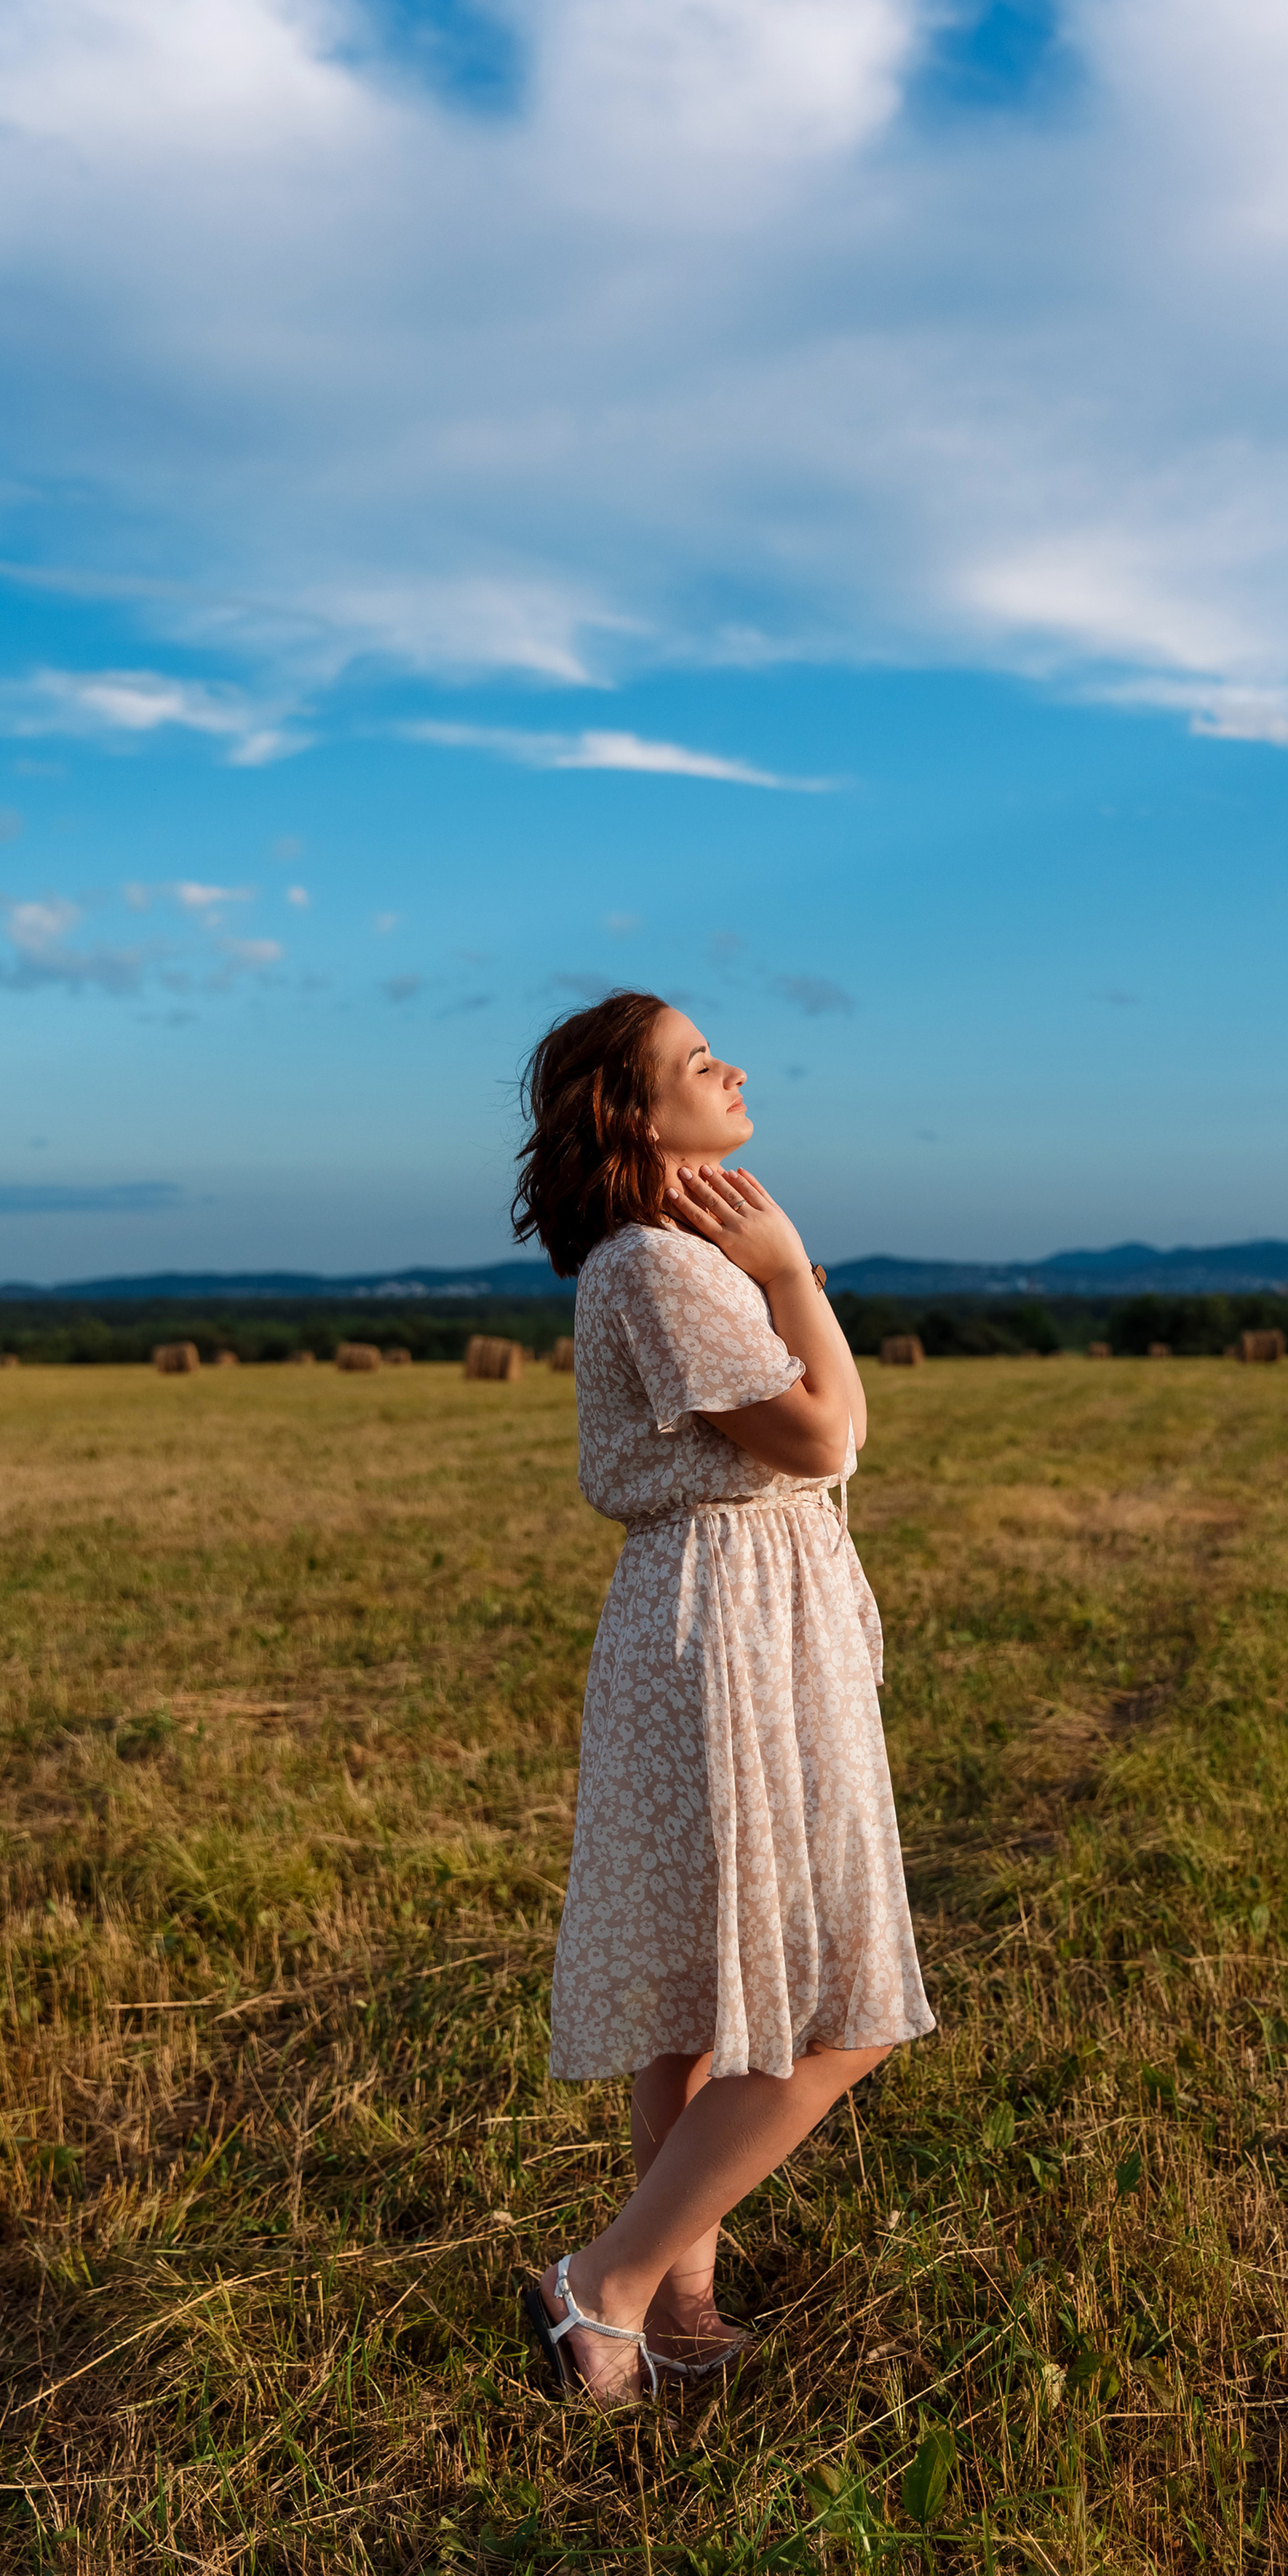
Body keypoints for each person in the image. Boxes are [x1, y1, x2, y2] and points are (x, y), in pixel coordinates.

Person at [509, 989, 934, 2406]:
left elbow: (811, 1445)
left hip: (714, 1609)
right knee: (841, 2006)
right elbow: (827, 1432)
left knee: (697, 1984)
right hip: (735, 1623)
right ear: (633, 1115)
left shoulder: (655, 1261)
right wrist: (795, 1268)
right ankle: (608, 2282)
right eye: (697, 1062)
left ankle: (673, 2306)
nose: (731, 1068)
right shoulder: (664, 1266)